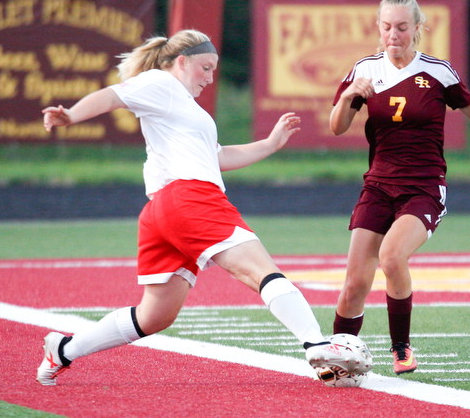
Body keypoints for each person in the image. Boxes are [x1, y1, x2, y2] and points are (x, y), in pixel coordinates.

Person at [36, 29, 368, 386]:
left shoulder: (183, 107)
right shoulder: (160, 84)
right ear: (181, 62)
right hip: (190, 199)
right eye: (205, 68)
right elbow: (112, 96)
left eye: (214, 70)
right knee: (260, 271)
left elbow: (218, 156)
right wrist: (71, 115)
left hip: (163, 211)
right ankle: (316, 343)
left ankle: (64, 351)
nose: (210, 79)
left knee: (154, 316)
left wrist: (270, 144)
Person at [329, 0, 470, 375]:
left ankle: (401, 348)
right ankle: (335, 357)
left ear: (418, 28)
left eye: (403, 27)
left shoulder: (438, 71)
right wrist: (351, 95)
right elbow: (337, 126)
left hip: (423, 186)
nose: (394, 35)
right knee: (355, 283)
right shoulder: (364, 69)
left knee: (392, 257)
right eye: (387, 27)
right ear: (378, 27)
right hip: (377, 185)